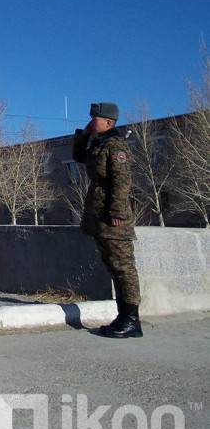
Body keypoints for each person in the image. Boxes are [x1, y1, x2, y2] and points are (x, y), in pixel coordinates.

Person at [73, 101, 143, 339]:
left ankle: (132, 320)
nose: (92, 121)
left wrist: (117, 213)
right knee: (113, 266)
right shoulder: (99, 144)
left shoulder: (116, 147)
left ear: (109, 122)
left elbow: (122, 183)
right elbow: (78, 156)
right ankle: (123, 316)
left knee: (124, 268)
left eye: (96, 119)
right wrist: (85, 134)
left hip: (114, 218)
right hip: (99, 215)